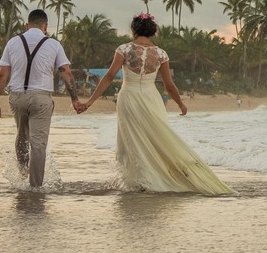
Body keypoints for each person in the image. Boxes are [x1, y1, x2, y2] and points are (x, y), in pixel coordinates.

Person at [81, 13, 232, 196]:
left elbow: (110, 76)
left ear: (134, 29)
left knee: (133, 140)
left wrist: (89, 102)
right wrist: (181, 103)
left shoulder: (124, 49)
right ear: (152, 31)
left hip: (129, 97)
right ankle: (154, 178)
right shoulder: (161, 54)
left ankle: (142, 181)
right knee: (155, 137)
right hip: (152, 98)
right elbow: (169, 85)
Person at [0, 9, 82, 188]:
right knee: (38, 144)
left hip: (17, 97)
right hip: (41, 98)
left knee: (22, 136)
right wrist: (75, 100)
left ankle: (23, 173)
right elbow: (66, 73)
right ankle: (35, 187)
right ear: (45, 26)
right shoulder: (54, 44)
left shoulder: (13, 42)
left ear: (27, 25)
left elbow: (2, 75)